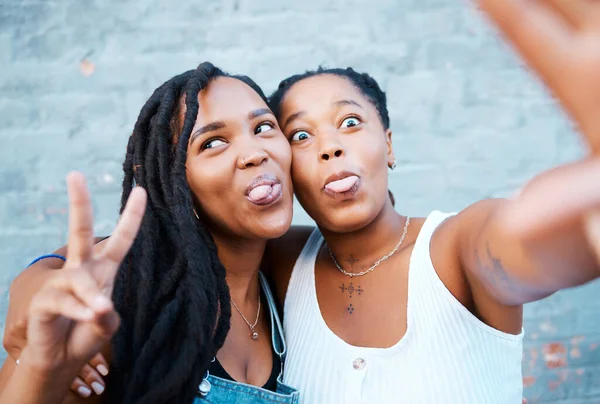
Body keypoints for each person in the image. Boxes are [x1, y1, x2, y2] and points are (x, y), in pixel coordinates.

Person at [6, 1, 600, 402]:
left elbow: (521, 242)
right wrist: (30, 323)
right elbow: (82, 267)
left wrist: (586, 216)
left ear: (388, 143)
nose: (328, 150)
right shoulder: (240, 272)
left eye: (349, 123)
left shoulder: (437, 251)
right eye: (300, 134)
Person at [0, 62, 300, 404]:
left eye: (263, 127)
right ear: (171, 182)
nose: (254, 153)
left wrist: (39, 268)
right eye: (213, 142)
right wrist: (40, 368)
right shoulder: (129, 302)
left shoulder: (290, 269)